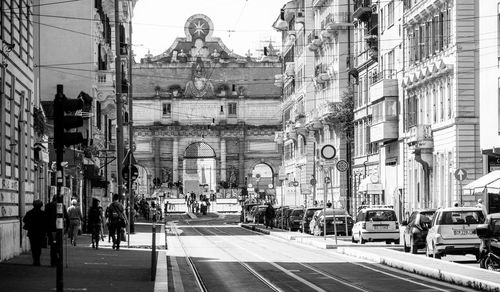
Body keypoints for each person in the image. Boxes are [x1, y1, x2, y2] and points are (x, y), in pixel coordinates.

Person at [45, 195, 68, 267]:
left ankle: (53, 262)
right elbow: (66, 217)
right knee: (59, 245)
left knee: (53, 245)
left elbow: (46, 217)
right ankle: (58, 261)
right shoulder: (62, 206)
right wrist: (67, 228)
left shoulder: (48, 206)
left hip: (51, 229)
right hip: (59, 229)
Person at [23, 200, 46, 266]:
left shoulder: (29, 213)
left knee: (33, 247)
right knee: (39, 247)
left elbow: (24, 220)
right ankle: (37, 260)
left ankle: (35, 260)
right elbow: (45, 223)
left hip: (32, 232)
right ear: (41, 206)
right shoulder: (43, 213)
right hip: (40, 232)